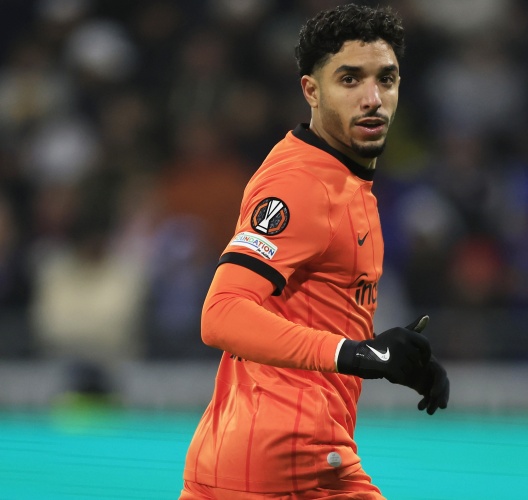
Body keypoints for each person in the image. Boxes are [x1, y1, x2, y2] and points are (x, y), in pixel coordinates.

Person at [179, 4, 449, 499]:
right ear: (311, 91)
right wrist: (358, 354)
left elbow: (311, 313)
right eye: (349, 80)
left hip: (256, 455)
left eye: (386, 79)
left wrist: (386, 357)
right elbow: (221, 313)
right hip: (289, 465)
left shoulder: (344, 179)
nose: (373, 98)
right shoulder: (300, 185)